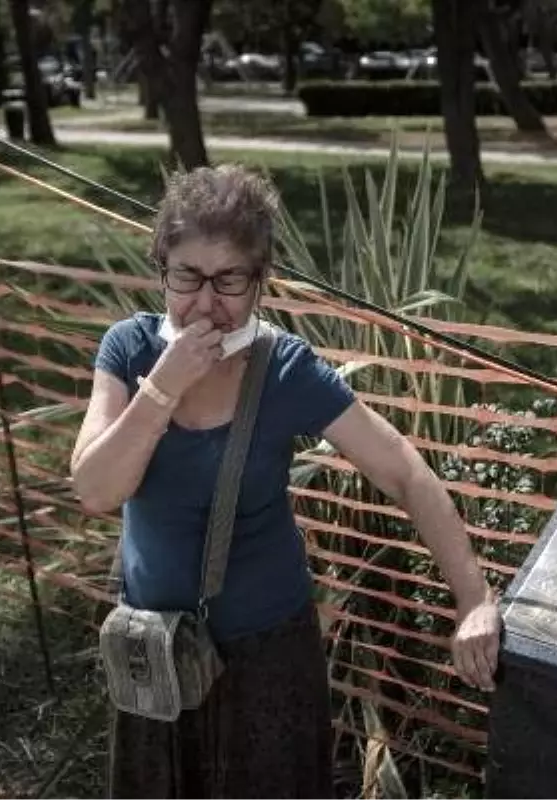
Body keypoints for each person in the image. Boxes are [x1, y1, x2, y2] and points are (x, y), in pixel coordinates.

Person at [71, 164, 501, 800]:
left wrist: (474, 599)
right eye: (187, 276)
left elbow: (404, 471)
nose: (206, 302)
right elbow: (96, 490)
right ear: (162, 265)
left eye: (230, 280)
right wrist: (161, 390)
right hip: (157, 653)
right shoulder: (129, 350)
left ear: (260, 281)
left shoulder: (284, 371)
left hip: (266, 658)